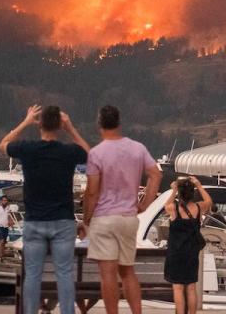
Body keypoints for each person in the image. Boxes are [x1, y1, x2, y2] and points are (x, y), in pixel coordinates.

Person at [0, 104, 90, 314]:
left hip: (34, 220)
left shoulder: (27, 149)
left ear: (39, 123)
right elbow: (89, 153)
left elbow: (3, 143)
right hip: (63, 220)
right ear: (59, 125)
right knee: (64, 273)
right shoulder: (68, 152)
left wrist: (26, 120)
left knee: (32, 274)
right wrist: (71, 128)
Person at [82, 105, 162, 314]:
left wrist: (86, 219)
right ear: (119, 122)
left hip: (104, 217)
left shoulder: (96, 153)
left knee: (107, 273)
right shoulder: (138, 148)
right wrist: (145, 203)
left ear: (99, 124)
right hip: (128, 216)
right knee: (127, 271)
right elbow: (155, 174)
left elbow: (92, 191)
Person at [163, 176, 212, 314]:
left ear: (180, 193)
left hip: (175, 253)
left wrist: (173, 191)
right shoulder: (198, 208)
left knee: (178, 288)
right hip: (191, 253)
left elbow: (166, 205)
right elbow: (209, 201)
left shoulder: (174, 209)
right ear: (192, 193)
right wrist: (199, 185)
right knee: (191, 288)